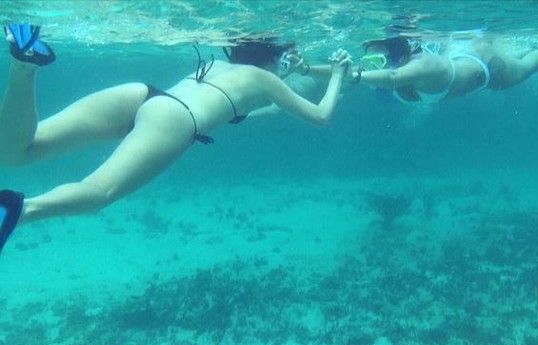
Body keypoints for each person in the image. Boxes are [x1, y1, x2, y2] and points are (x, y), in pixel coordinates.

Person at [0, 23, 352, 254]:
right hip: (175, 120)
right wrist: (338, 74)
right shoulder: (265, 81)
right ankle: (21, 209)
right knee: (97, 194)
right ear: (277, 57)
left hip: (141, 95)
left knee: (18, 152)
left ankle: (24, 65)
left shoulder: (220, 65)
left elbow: (247, 108)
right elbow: (321, 115)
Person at [299, 35, 538, 104]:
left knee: (525, 68)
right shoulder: (392, 65)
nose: (369, 67)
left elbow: (391, 78)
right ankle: (518, 47)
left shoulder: (423, 64)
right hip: (462, 53)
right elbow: (344, 72)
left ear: (398, 56)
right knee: (513, 54)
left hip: (486, 70)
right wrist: (305, 68)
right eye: (370, 62)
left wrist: (359, 74)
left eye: (378, 60)